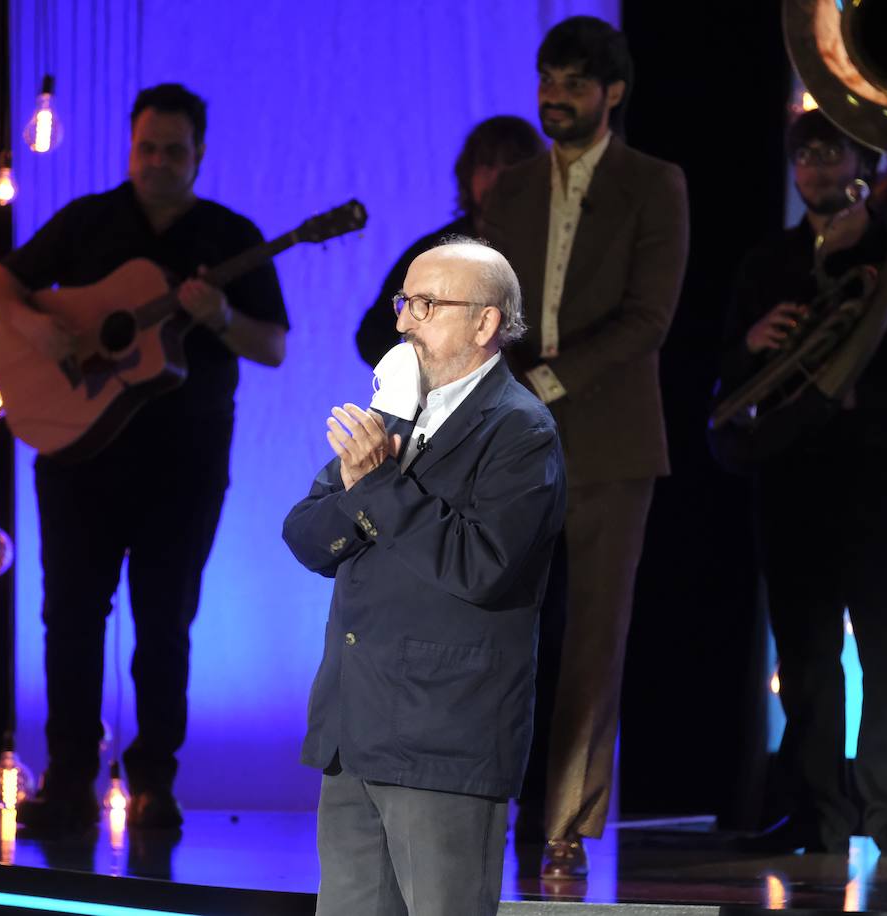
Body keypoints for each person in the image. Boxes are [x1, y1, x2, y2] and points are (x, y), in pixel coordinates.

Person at [0, 83, 289, 832]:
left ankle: (153, 781)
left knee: (164, 621)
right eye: (145, 148)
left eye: (173, 151)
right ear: (131, 146)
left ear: (199, 154)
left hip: (184, 460)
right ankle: (69, 780)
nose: (156, 163)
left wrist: (219, 316)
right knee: (71, 618)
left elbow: (274, 346)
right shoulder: (89, 222)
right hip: (80, 454)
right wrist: (35, 326)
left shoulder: (230, 237)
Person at [721, 109, 887, 859]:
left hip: (878, 478)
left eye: (832, 154)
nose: (818, 169)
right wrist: (752, 343)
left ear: (862, 162)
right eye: (806, 156)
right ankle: (815, 815)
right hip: (791, 480)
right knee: (804, 658)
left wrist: (864, 393)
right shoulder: (768, 262)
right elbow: (725, 382)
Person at [284, 239, 566, 916]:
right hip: (353, 738)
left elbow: (482, 567)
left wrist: (377, 485)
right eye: (404, 302)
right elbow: (305, 537)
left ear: (485, 323)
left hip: (444, 742)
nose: (405, 320)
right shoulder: (391, 415)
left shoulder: (521, 431)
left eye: (426, 304)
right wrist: (363, 489)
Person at [479, 15, 689, 878]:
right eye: (546, 80)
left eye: (572, 83)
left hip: (610, 437)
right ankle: (485, 805)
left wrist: (550, 382)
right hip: (515, 441)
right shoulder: (513, 189)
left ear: (613, 93)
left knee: (593, 637)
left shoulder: (653, 183)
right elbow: (490, 302)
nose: (554, 97)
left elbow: (650, 319)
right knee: (496, 625)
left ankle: (564, 823)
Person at [355, 116, 542, 367]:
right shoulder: (435, 251)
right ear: (468, 173)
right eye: (487, 166)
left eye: (511, 165)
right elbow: (373, 337)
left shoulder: (552, 249)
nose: (498, 178)